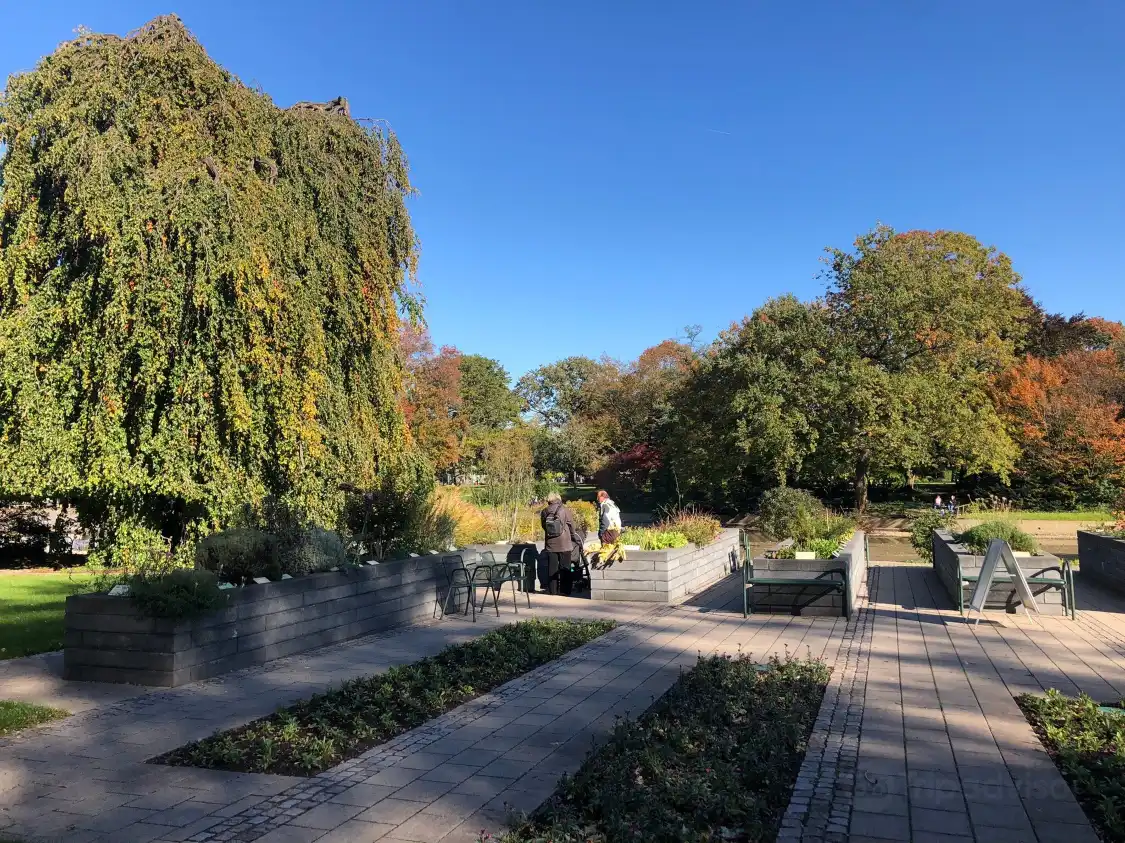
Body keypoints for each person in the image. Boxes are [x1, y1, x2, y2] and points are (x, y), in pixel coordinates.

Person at [539, 492, 579, 595]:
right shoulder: (564, 510)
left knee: (552, 567)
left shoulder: (544, 511)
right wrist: (574, 537)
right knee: (565, 567)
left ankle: (553, 590)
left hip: (550, 543)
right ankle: (565, 591)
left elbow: (544, 526)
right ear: (558, 499)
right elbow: (571, 525)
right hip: (564, 543)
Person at [596, 490, 624, 563]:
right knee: (613, 551)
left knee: (605, 552)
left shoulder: (605, 505)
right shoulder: (612, 504)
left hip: (609, 532)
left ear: (603, 497)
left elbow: (606, 521)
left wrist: (601, 533)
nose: (597, 499)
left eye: (598, 497)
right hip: (616, 531)